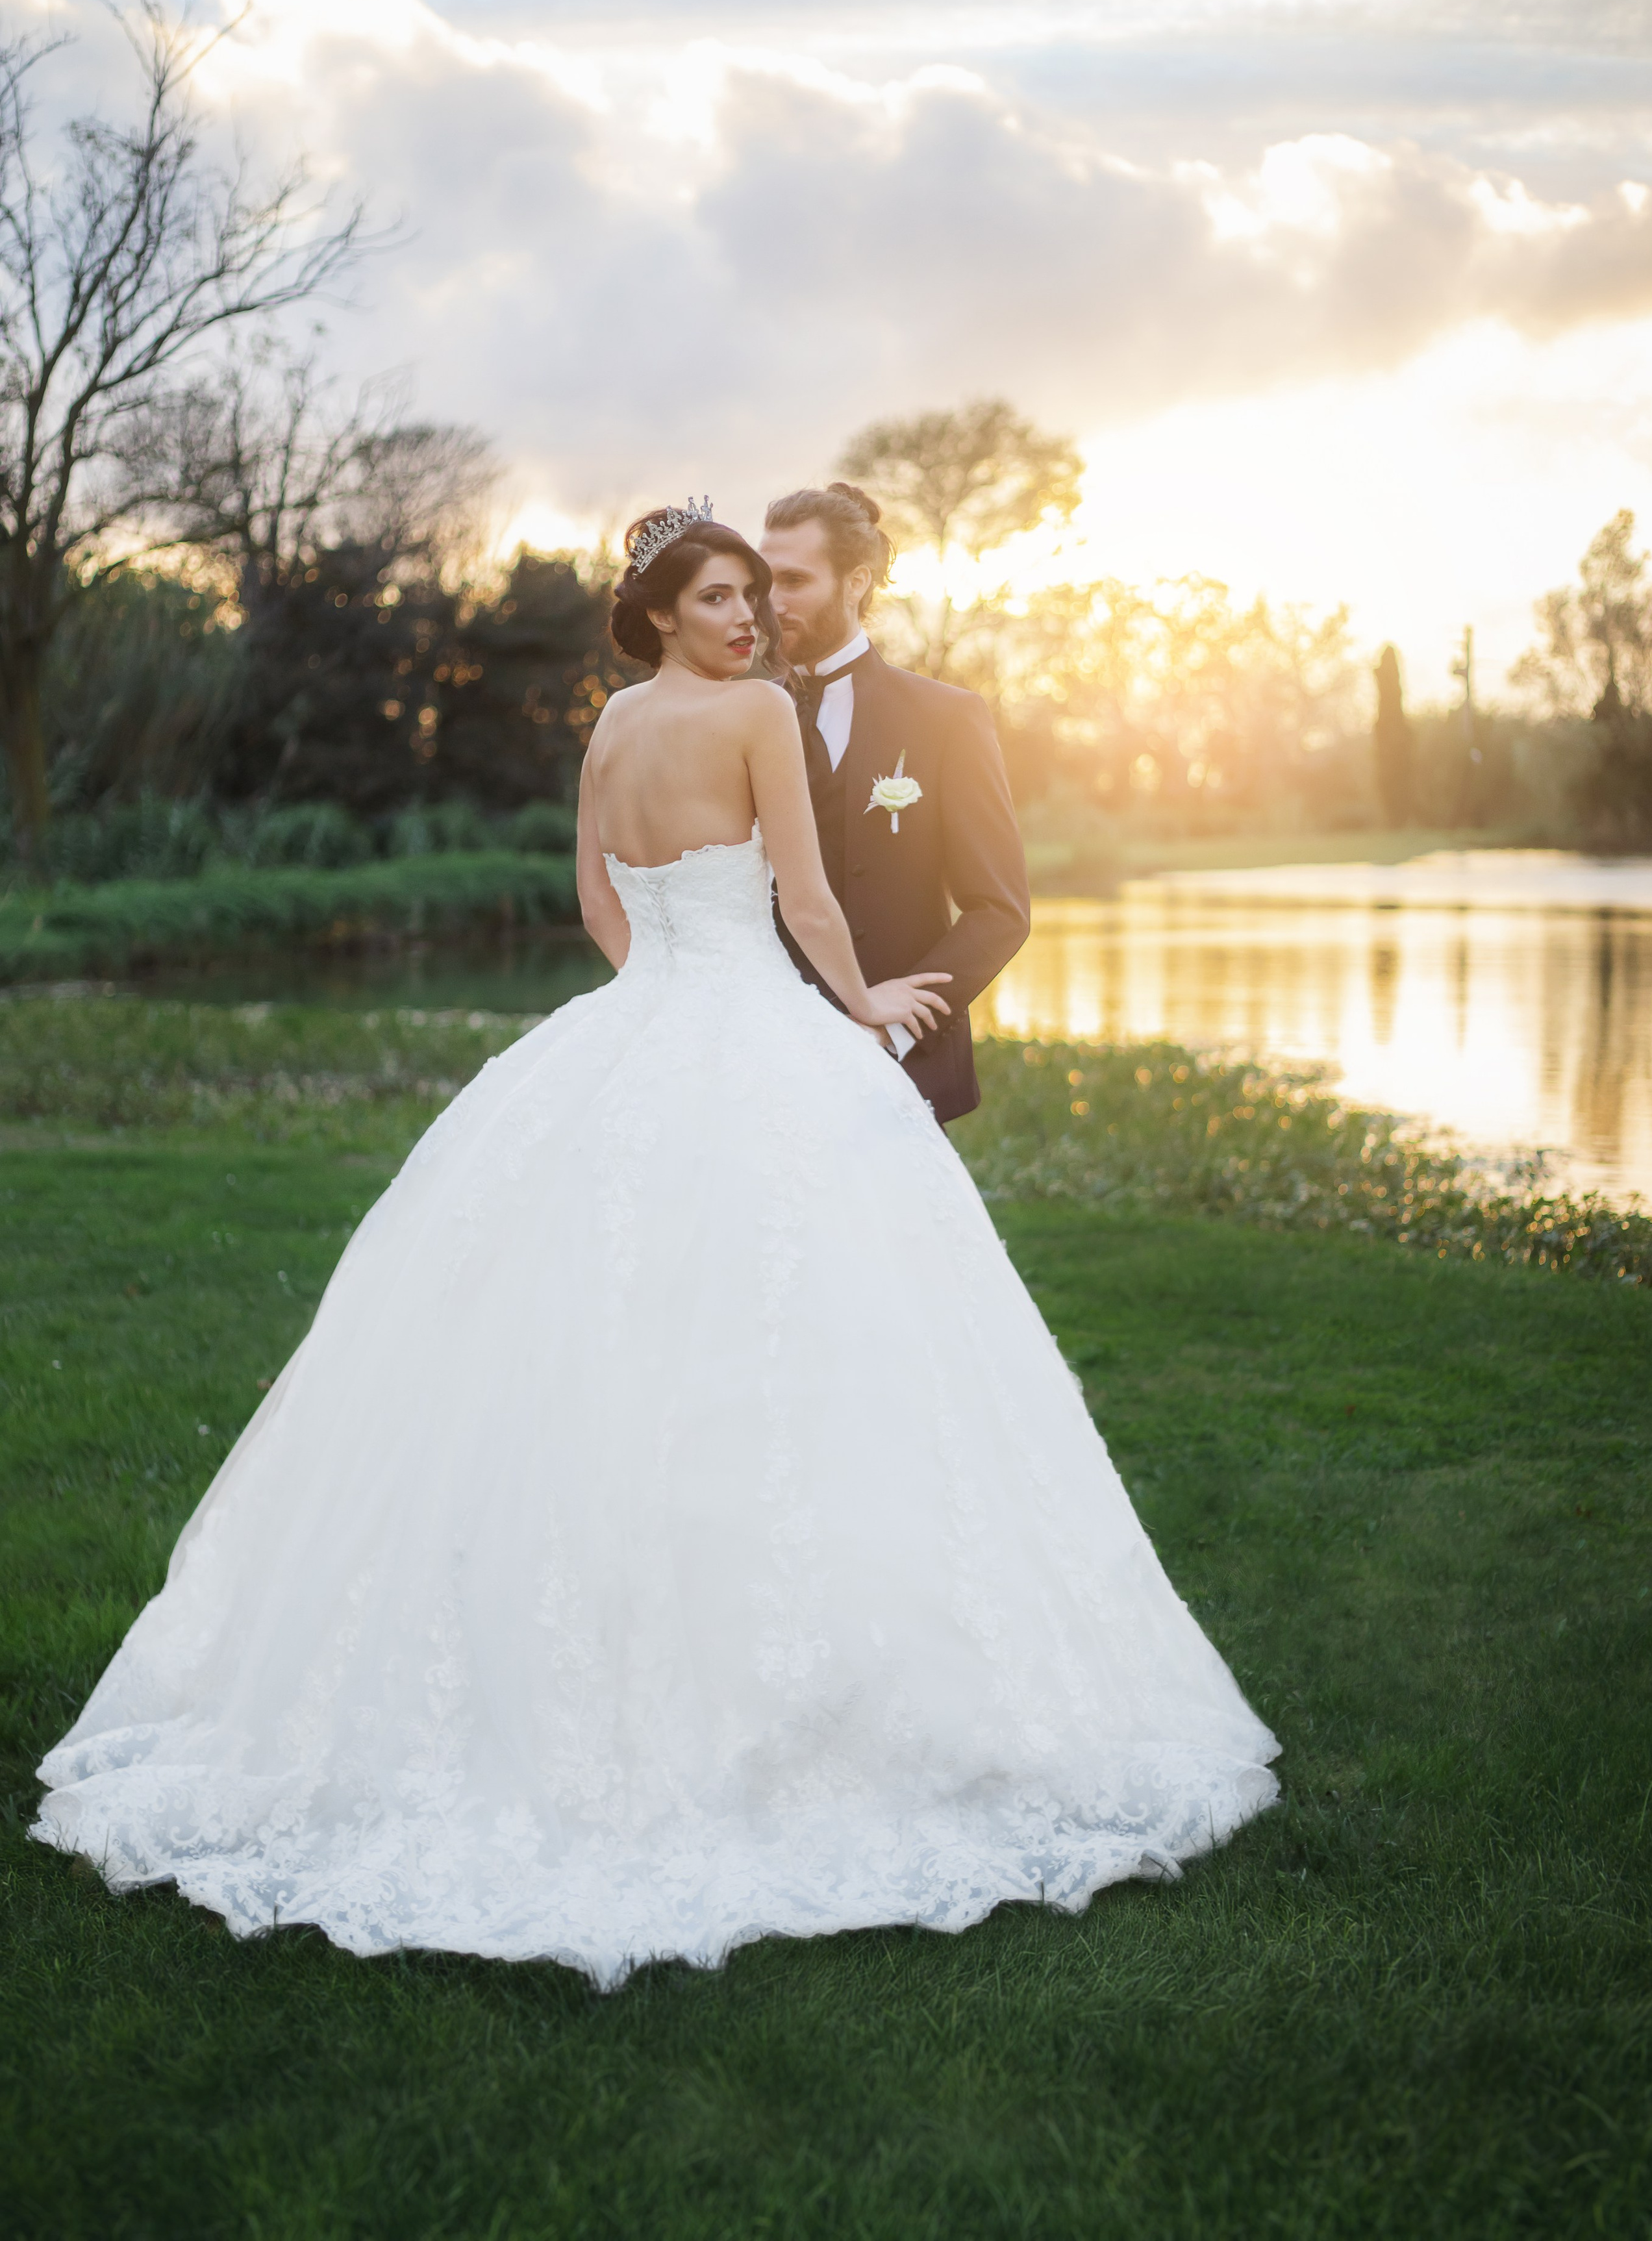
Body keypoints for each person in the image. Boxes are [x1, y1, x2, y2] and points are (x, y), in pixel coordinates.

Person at [32, 500, 1278, 1990]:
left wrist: (660, 1002)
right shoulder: (751, 712)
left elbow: (594, 895)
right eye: (721, 595)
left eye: (758, 592)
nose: (749, 617)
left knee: (592, 1336)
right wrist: (867, 1002)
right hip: (752, 1021)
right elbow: (806, 892)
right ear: (667, 611)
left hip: (636, 1025)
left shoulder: (611, 725)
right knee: (795, 1339)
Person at [760, 482, 1028, 1121]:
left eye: (793, 581)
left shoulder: (947, 718)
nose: (771, 603)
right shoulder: (738, 717)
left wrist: (893, 1026)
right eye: (761, 581)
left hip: (906, 1070)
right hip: (765, 1058)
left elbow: (999, 911)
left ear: (856, 583)